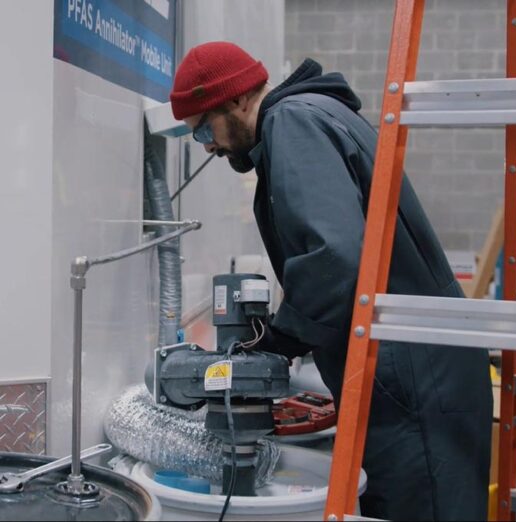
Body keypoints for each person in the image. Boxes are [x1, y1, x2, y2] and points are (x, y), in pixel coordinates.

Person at [169, 42, 492, 521]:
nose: (210, 146)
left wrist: (282, 338)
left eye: (203, 131)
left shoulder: (292, 123)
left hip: (413, 382)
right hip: (415, 371)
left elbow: (335, 255)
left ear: (236, 100)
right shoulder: (312, 115)